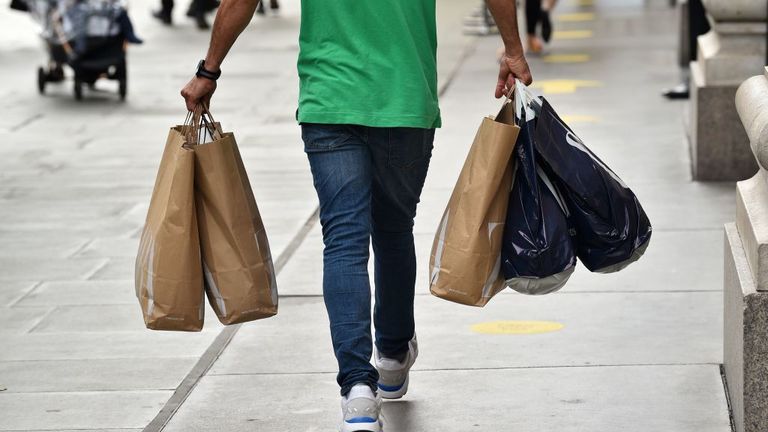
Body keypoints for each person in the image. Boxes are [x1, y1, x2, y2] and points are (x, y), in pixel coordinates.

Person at [180, 0, 532, 430]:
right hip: (403, 94)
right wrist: (512, 49)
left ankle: (357, 390)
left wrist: (209, 71)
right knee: (394, 230)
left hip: (330, 96)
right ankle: (392, 353)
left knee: (344, 240)